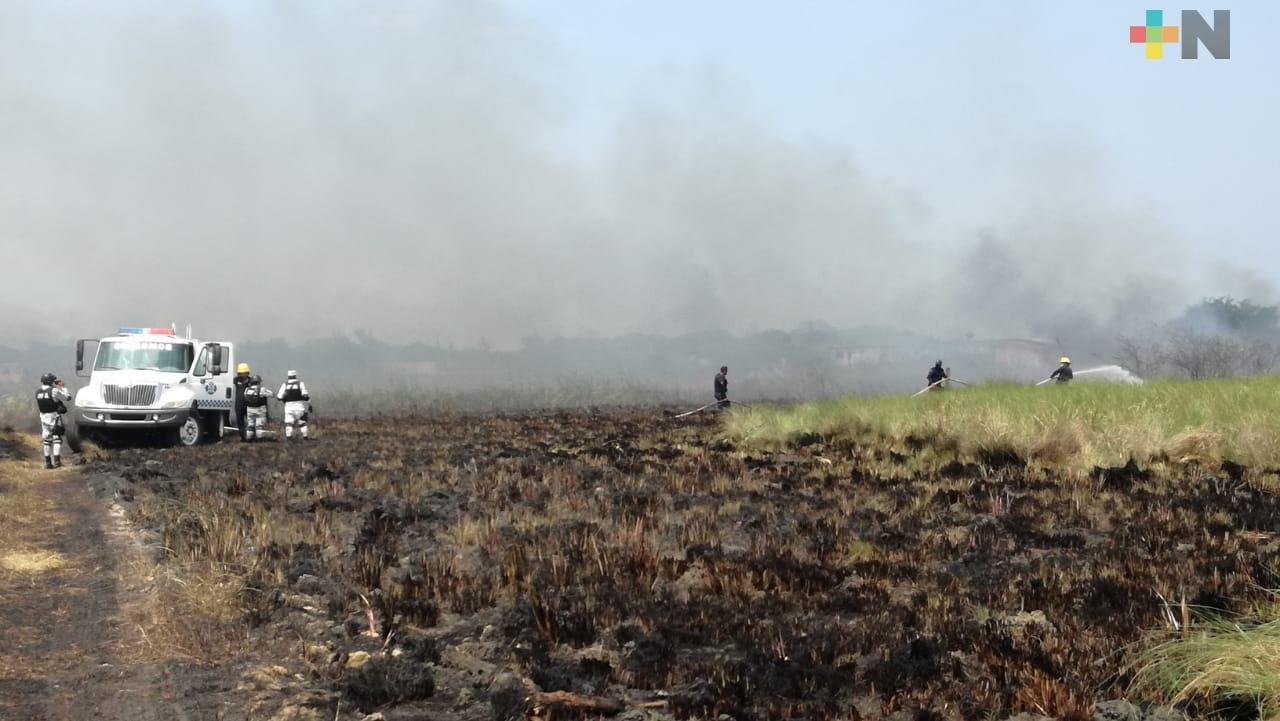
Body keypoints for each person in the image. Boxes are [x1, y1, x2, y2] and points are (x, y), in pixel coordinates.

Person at [35, 372, 71, 469]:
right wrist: (62, 387)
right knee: (57, 438)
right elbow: (67, 397)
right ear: (51, 381)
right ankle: (57, 462)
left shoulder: (38, 391)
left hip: (43, 417)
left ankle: (48, 463)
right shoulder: (53, 390)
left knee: (46, 440)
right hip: (54, 417)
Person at [276, 370, 311, 440]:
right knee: (302, 422)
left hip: (288, 407)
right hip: (299, 405)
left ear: (288, 376)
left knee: (289, 423)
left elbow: (279, 397)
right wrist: (309, 404)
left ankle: (289, 437)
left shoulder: (285, 384)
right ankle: (305, 437)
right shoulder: (300, 383)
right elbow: (305, 395)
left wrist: (285, 397)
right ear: (295, 376)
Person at [242, 375, 272, 441]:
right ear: (258, 382)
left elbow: (245, 397)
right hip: (259, 410)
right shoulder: (262, 389)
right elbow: (272, 394)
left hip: (249, 410)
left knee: (250, 425)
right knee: (259, 425)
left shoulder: (246, 389)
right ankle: (260, 438)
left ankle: (249, 438)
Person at [233, 362, 252, 441]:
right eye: (241, 373)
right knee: (240, 422)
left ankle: (251, 436)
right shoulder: (236, 380)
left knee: (250, 421)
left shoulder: (251, 381)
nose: (242, 375)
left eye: (244, 373)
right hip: (239, 404)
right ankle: (243, 437)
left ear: (247, 373)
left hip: (248, 404)